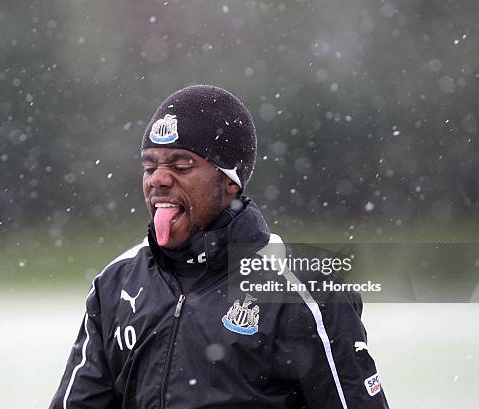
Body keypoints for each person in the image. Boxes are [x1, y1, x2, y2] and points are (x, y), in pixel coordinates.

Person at [49, 85, 390, 409]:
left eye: (181, 166)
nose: (158, 179)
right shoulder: (115, 284)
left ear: (230, 181)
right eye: (150, 167)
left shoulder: (304, 290)